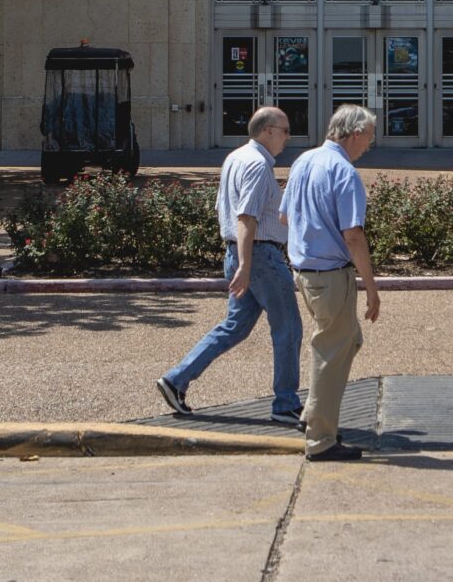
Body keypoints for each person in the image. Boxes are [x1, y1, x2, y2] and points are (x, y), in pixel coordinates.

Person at [156, 107, 301, 425]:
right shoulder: (258, 164)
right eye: (285, 130)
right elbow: (246, 217)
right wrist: (247, 267)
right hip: (259, 257)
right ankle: (286, 404)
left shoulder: (236, 158)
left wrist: (242, 262)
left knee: (234, 327)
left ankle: (176, 380)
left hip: (241, 255)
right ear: (267, 131)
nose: (288, 137)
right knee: (288, 328)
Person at [285, 103, 383, 461]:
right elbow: (354, 235)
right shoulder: (345, 172)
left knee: (346, 340)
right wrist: (371, 288)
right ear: (355, 134)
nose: (368, 146)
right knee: (331, 352)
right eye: (368, 138)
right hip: (330, 274)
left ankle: (313, 414)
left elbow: (285, 214)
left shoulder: (304, 161)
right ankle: (321, 440)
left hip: (305, 272)